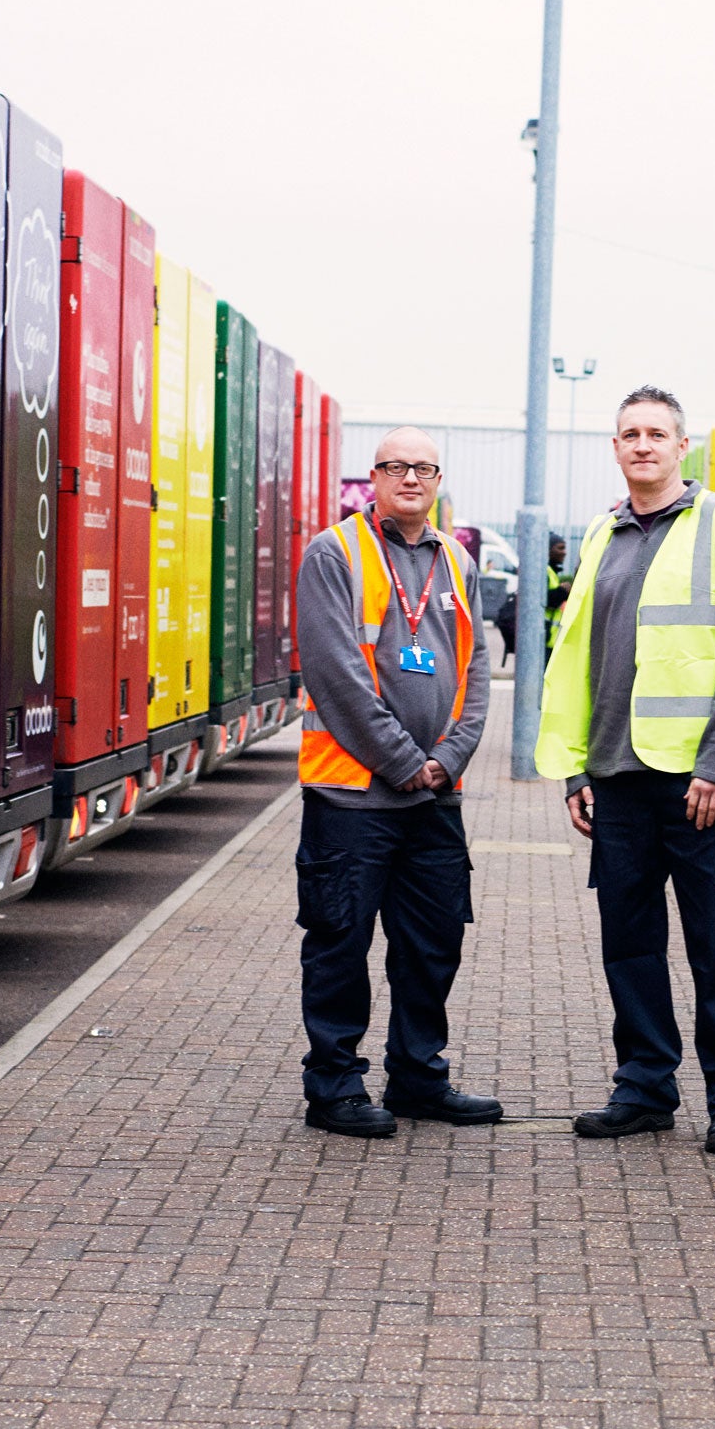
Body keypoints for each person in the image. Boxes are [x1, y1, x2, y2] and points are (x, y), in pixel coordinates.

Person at [535, 385, 715, 1154]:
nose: (642, 445)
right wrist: (577, 771)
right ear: (616, 448)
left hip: (696, 783)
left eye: (656, 434)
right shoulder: (605, 533)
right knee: (630, 946)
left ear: (681, 446)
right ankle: (644, 1087)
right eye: (629, 433)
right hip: (617, 780)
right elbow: (578, 658)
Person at [293, 427, 499, 1138]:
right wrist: (406, 761)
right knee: (340, 940)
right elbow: (335, 675)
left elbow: (475, 675)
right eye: (396, 466)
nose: (410, 477)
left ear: (439, 479)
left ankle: (418, 1077)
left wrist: (452, 756)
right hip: (353, 796)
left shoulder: (457, 561)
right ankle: (336, 1087)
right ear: (373, 477)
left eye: (424, 467)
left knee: (433, 941)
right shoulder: (335, 552)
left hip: (437, 796)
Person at [544, 534, 571, 657]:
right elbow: (542, 601)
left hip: (548, 640)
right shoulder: (544, 571)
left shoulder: (551, 572)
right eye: (560, 548)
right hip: (542, 641)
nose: (564, 552)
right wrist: (562, 591)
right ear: (548, 550)